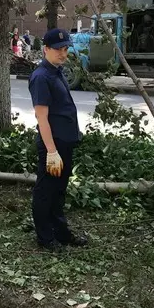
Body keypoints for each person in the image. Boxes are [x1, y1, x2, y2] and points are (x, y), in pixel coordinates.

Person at [28, 28, 87, 252]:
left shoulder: (57, 71)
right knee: (46, 192)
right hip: (52, 145)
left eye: (65, 49)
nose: (63, 53)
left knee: (59, 190)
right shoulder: (41, 77)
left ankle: (61, 232)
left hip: (65, 142)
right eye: (58, 49)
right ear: (46, 49)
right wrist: (51, 152)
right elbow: (42, 118)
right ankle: (45, 238)